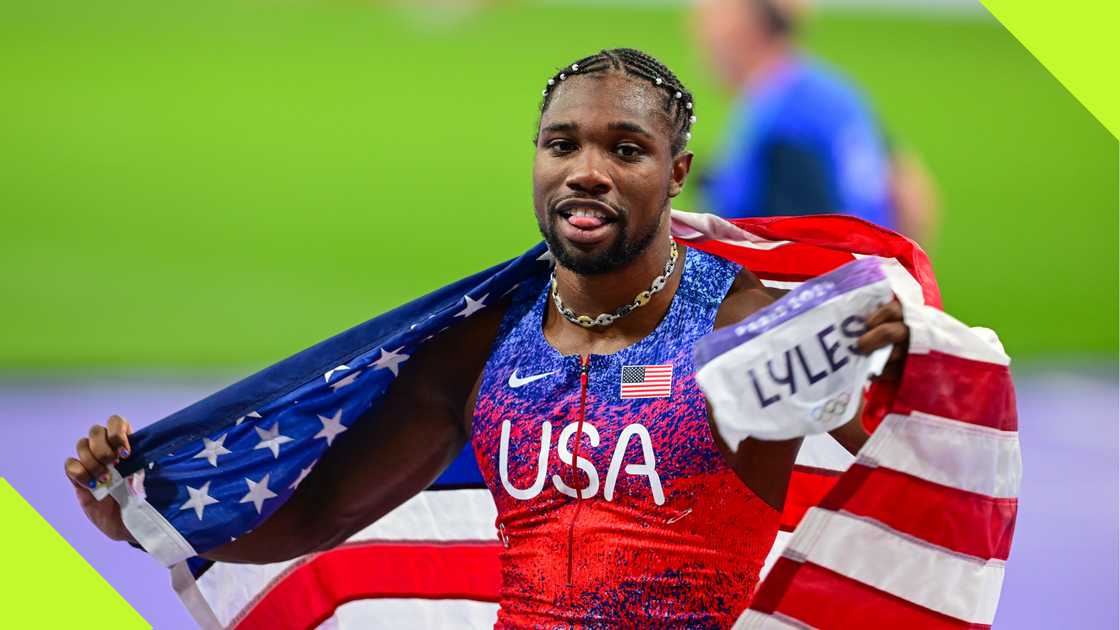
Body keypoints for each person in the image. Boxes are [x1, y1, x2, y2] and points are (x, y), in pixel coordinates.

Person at [65, 48, 910, 628]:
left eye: (627, 149)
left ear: (676, 171)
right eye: (562, 144)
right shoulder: (484, 343)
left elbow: (903, 463)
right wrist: (137, 515)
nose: (588, 170)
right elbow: (321, 514)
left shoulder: (744, 324)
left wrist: (898, 366)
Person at [693, 0, 938, 246]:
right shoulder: (832, 92)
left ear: (741, 26)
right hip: (870, 273)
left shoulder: (782, 120)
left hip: (830, 279)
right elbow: (910, 194)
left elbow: (802, 248)